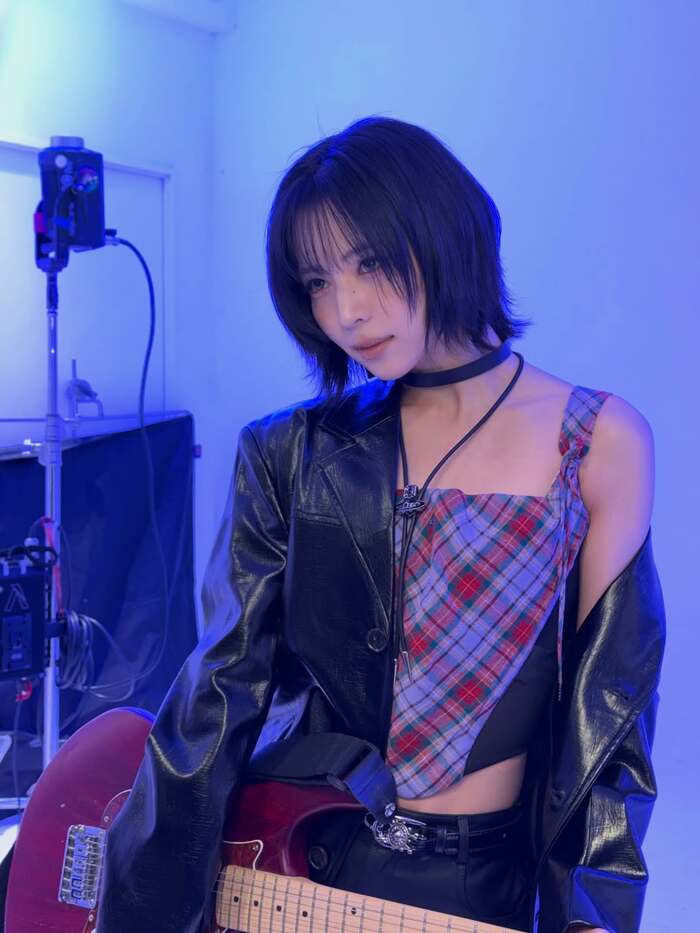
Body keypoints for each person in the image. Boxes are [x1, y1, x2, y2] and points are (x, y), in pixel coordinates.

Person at [98, 116, 665, 932]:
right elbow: (217, 698)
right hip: (295, 864)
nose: (347, 310)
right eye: (316, 280)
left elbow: (611, 731)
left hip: (477, 886)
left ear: (444, 229)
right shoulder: (288, 451)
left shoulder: (599, 442)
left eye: (368, 261)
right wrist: (137, 913)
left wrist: (591, 918)